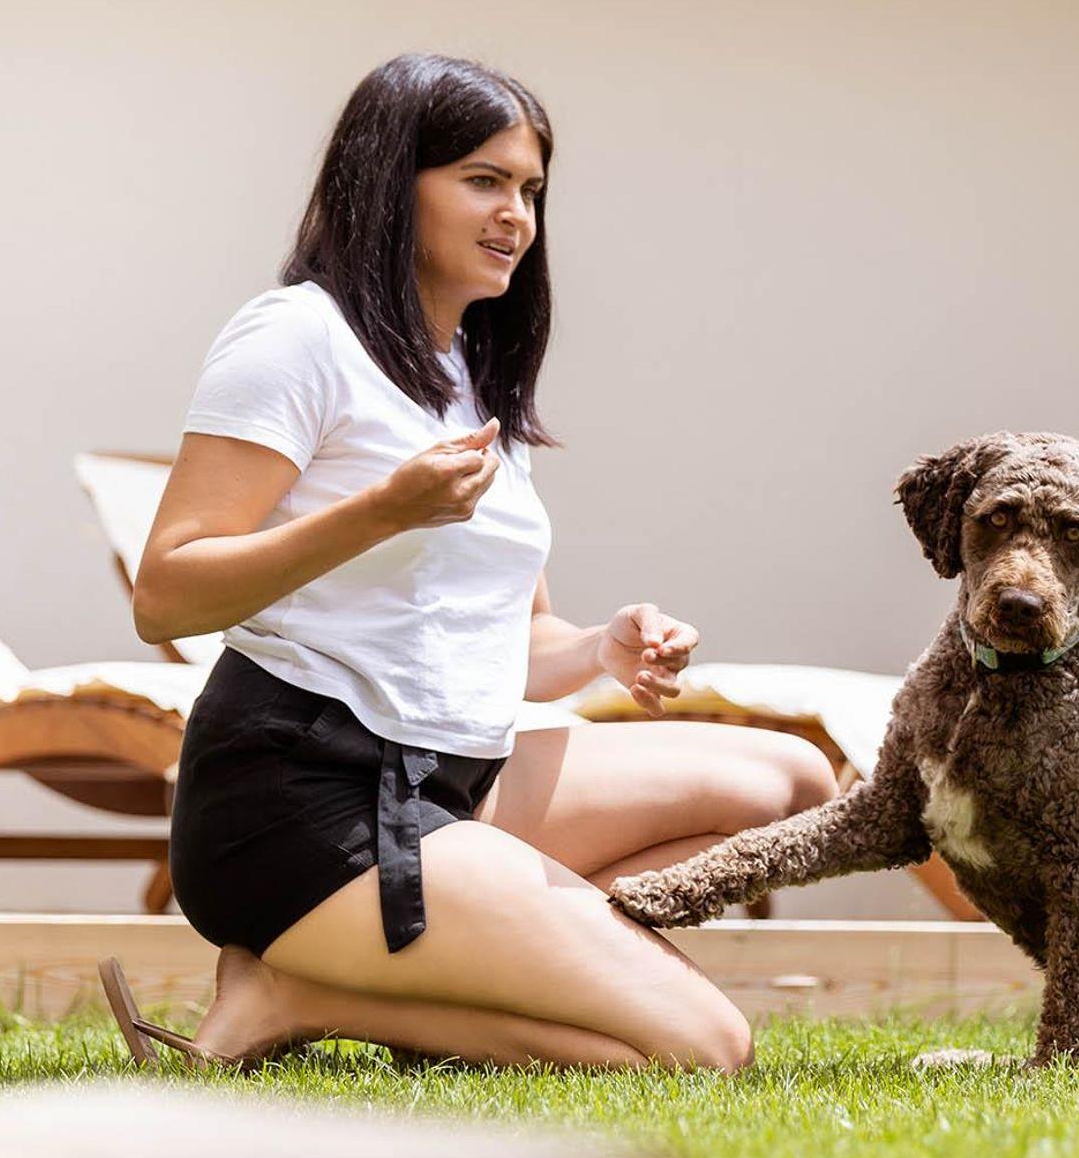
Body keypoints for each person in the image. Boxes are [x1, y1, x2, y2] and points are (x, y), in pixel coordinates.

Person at [98, 53, 836, 1073]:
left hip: (455, 778)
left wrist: (602, 647)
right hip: (302, 799)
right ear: (389, 184)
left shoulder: (469, 370)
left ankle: (424, 964)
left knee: (793, 780)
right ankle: (303, 987)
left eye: (530, 189)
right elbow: (166, 592)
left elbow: (518, 643)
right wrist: (379, 513)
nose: (515, 217)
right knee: (704, 1050)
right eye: (482, 180)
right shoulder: (297, 336)